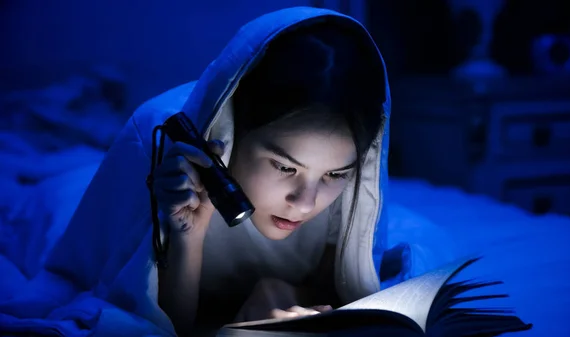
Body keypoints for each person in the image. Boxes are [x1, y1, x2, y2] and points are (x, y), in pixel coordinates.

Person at [38, 7, 393, 337]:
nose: (305, 203)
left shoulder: (356, 183)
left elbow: (344, 276)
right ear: (233, 128)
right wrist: (186, 236)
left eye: (335, 175)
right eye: (285, 166)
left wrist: (286, 292)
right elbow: (147, 319)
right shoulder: (158, 136)